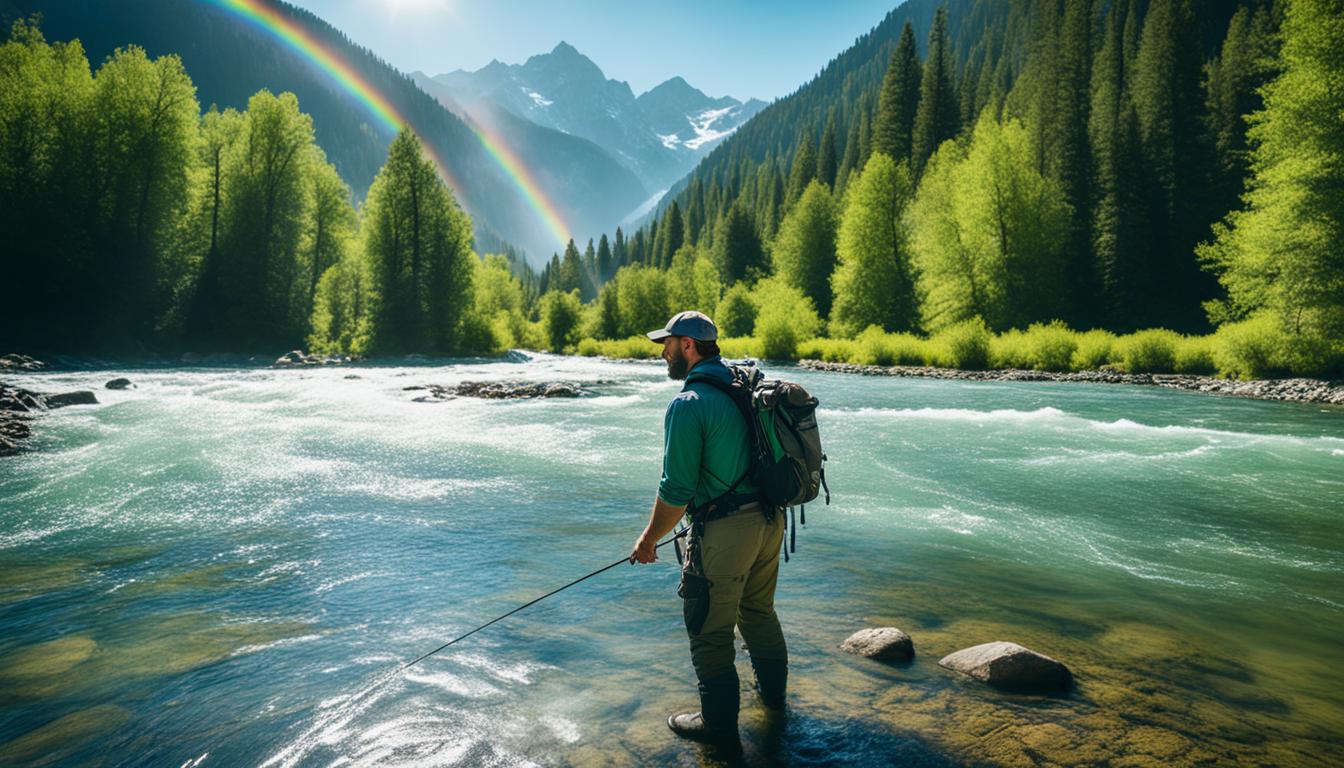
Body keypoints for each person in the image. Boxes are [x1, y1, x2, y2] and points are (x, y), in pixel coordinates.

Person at [629, 310, 788, 746]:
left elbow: (676, 490)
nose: (662, 352)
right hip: (771, 521)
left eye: (667, 343)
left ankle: (718, 726)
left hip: (727, 533)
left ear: (688, 345)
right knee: (758, 612)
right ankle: (775, 701)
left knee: (708, 628)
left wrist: (648, 541)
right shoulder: (742, 385)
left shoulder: (688, 404)